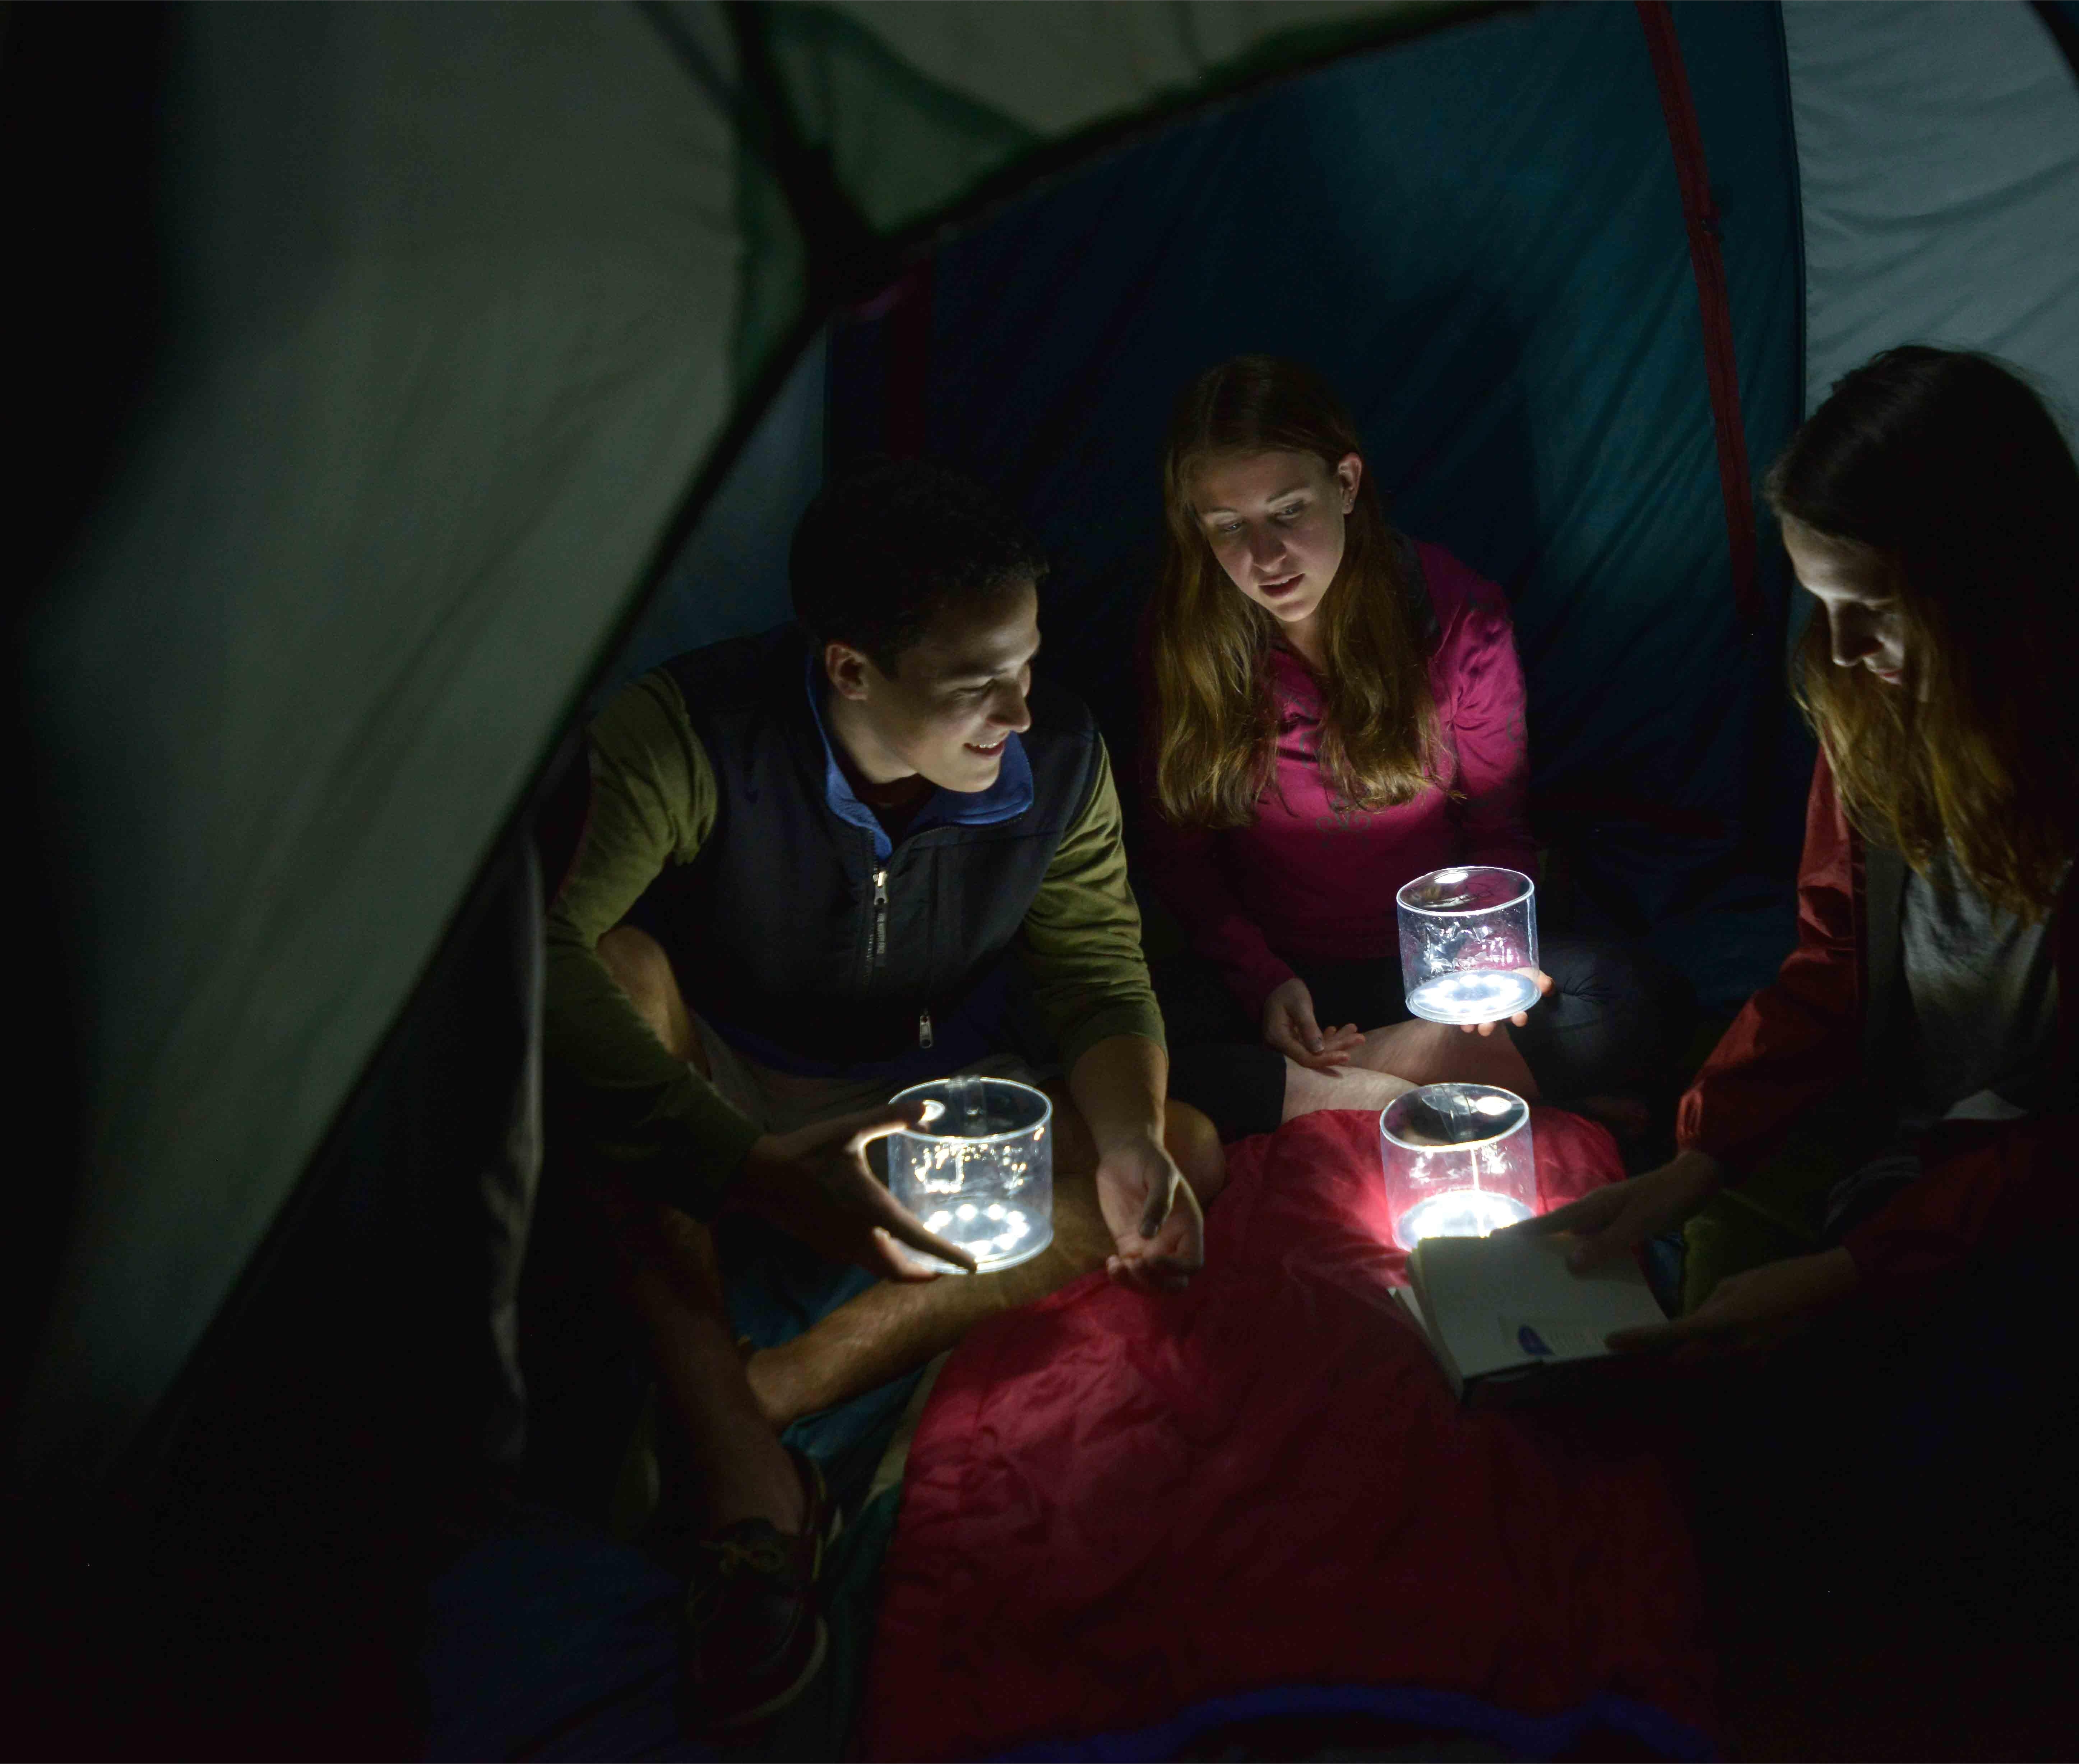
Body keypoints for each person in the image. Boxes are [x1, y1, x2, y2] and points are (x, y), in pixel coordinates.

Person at [1524, 347, 2079, 1571]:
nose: (1836, 654)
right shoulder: (1870, 686)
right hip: (1899, 1098)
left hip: (2069, 1170)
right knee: (1709, 1335)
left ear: (1989, 584)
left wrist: (1853, 1270)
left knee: (1931, 1473)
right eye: (1816, 605)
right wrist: (1700, 1158)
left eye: (1869, 609)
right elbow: (1835, 955)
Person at [541, 455, 1222, 1730]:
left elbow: (1096, 966)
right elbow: (543, 954)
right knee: (617, 975)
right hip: (730, 1088)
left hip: (938, 1097)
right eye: (977, 685)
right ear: (851, 669)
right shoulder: (683, 737)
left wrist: (1126, 1136)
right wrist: (743, 1166)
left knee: (1181, 1142)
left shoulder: (1062, 755)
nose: (1019, 710)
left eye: (1025, 665)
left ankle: (774, 1387)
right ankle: (750, 1490)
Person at [1138, 354, 1683, 1140]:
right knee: (1122, 1049)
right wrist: (1263, 983)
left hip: (1434, 983)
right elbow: (1179, 859)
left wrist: (1484, 965)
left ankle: (1332, 1091)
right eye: (1228, 527)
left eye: (1288, 511)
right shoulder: (1184, 641)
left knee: (1624, 995)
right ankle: (1430, 1092)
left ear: (1347, 485)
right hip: (1281, 986)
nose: (1265, 557)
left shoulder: (1456, 616)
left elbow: (1498, 832)